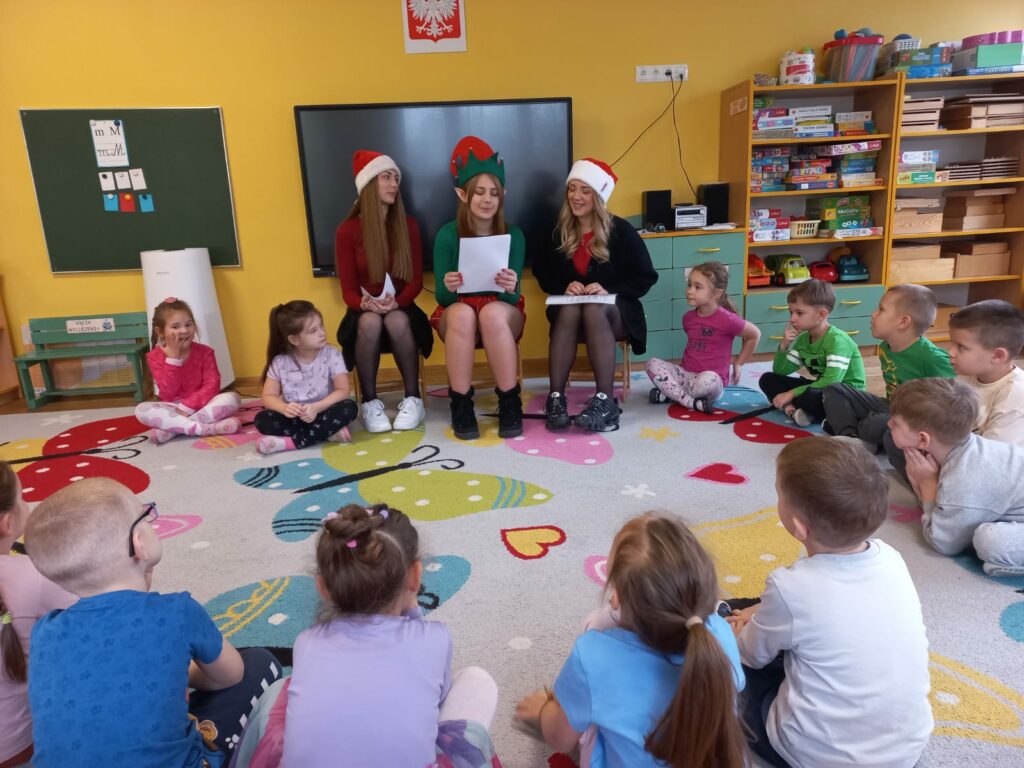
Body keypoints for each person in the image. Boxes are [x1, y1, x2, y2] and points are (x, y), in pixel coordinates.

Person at [24, 478, 280, 768]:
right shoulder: (178, 610)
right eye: (146, 516)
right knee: (261, 662)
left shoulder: (45, 631)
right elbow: (230, 676)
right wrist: (183, 670)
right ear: (139, 543)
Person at [727, 437, 932, 768]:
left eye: (779, 494)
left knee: (722, 660)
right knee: (784, 623)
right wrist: (761, 612)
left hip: (815, 754)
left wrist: (735, 630)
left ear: (798, 527)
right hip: (905, 749)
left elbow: (749, 654)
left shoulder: (789, 586)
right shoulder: (892, 558)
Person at [249, 504, 500, 768]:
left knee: (281, 689)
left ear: (322, 587)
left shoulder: (306, 641)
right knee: (476, 680)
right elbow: (436, 700)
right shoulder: (436, 638)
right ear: (415, 575)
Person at [515, 512, 747, 768]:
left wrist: (544, 710)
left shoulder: (593, 656)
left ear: (617, 596)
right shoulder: (719, 634)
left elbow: (561, 739)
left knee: (587, 711)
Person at [534, 158, 658, 432]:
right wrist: (564, 286)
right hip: (569, 314)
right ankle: (556, 399)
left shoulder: (621, 231)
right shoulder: (556, 230)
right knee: (570, 309)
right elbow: (542, 273)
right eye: (572, 189)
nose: (576, 196)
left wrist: (609, 290)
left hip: (615, 312)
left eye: (585, 190)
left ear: (598, 196)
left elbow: (645, 277)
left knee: (593, 308)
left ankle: (605, 401)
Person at [431, 136, 526, 440]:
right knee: (462, 314)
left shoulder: (514, 234)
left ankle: (509, 402)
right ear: (463, 194)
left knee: (492, 313)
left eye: (494, 193)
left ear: (503, 196)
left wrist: (510, 285)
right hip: (458, 311)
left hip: (501, 310)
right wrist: (449, 286)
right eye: (480, 192)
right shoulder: (447, 235)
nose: (487, 200)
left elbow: (512, 296)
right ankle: (461, 405)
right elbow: (443, 298)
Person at [335, 150, 432, 434]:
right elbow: (347, 290)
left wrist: (397, 303)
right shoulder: (347, 231)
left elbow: (415, 281)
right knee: (370, 321)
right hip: (363, 312)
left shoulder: (408, 226)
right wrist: (364, 304)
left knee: (396, 319)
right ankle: (370, 402)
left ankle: (413, 399)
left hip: (402, 308)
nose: (394, 184)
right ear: (368, 185)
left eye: (395, 179)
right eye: (386, 178)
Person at [889, 377, 1024, 576]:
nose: (888, 423)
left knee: (990, 541)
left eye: (895, 423)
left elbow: (945, 543)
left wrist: (928, 485)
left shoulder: (963, 479)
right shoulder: (962, 449)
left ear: (923, 439)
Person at [0, 462, 76, 768]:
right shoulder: (32, 576)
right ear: (6, 523)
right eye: (22, 497)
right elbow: (100, 613)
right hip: (23, 748)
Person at [821, 284, 953, 452]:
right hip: (890, 407)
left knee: (873, 424)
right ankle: (850, 437)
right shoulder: (885, 346)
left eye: (881, 310)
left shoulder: (932, 358)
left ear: (903, 322)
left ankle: (861, 431)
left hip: (913, 421)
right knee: (834, 389)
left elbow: (953, 403)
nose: (873, 314)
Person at [646, 261, 760, 412]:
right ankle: (689, 401)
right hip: (686, 375)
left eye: (697, 287)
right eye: (689, 285)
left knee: (706, 381)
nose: (690, 291)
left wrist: (739, 363)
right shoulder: (688, 318)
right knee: (652, 363)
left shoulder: (728, 320)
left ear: (717, 293)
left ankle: (671, 394)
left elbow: (754, 335)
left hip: (712, 381)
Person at [254, 300, 358, 455]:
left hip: (324, 411)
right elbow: (268, 396)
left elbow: (343, 390)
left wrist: (316, 408)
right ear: (294, 340)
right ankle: (326, 432)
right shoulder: (280, 362)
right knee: (262, 419)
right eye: (313, 330)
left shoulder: (332, 354)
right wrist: (284, 408)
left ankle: (290, 443)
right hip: (295, 417)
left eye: (321, 326)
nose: (322, 333)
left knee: (349, 407)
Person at [758, 279, 865, 427]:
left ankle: (800, 408)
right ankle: (793, 410)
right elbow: (780, 371)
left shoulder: (837, 341)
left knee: (811, 396)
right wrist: (784, 345)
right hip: (822, 388)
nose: (792, 319)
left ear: (821, 314)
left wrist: (791, 393)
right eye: (791, 312)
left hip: (846, 397)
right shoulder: (803, 339)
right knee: (768, 379)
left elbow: (831, 382)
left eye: (799, 313)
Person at [135, 297, 242, 444]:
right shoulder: (154, 357)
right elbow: (168, 392)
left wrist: (189, 406)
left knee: (232, 398)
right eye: (175, 327)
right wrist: (173, 359)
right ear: (160, 331)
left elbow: (212, 384)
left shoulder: (205, 352)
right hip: (173, 408)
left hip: (203, 404)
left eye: (188, 324)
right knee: (141, 410)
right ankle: (206, 428)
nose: (184, 330)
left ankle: (174, 429)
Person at [947, 299, 1024, 445]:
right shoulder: (966, 373)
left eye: (961, 347)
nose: (950, 352)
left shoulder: (1014, 396)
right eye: (952, 343)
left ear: (997, 356)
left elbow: (993, 452)